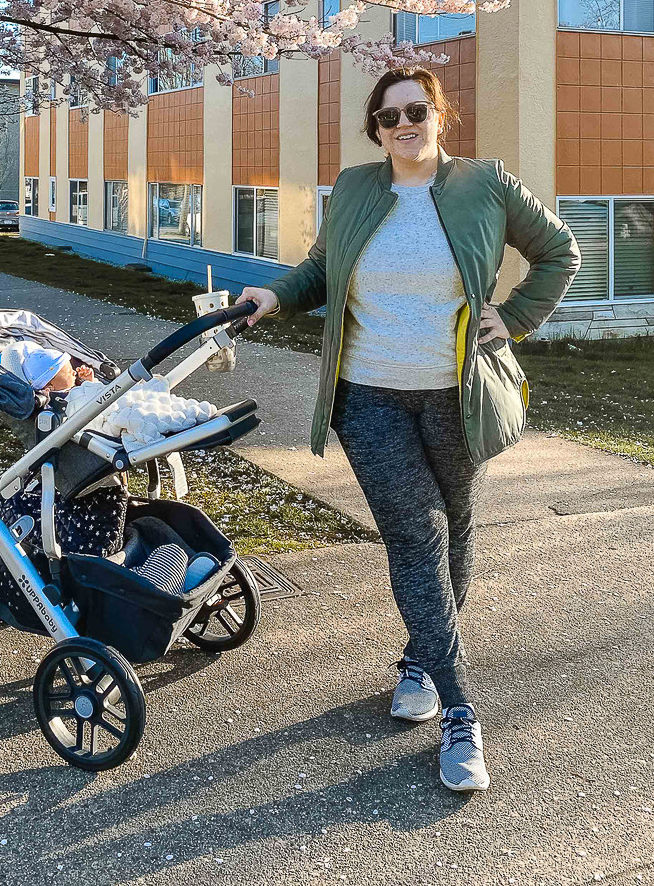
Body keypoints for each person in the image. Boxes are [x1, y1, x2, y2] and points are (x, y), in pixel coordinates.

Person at [237, 66, 580, 793]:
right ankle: (461, 711)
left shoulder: (485, 185)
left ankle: (424, 659)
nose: (403, 124)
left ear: (439, 116)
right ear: (376, 128)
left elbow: (559, 252)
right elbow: (323, 271)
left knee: (455, 527)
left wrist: (514, 318)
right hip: (370, 398)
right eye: (388, 115)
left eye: (416, 110)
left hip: (458, 397)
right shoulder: (359, 188)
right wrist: (275, 292)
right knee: (415, 535)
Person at [19, 347, 95, 396]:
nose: (74, 372)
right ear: (50, 387)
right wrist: (90, 386)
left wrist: (89, 382)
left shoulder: (72, 388)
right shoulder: (67, 401)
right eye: (69, 372)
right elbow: (92, 402)